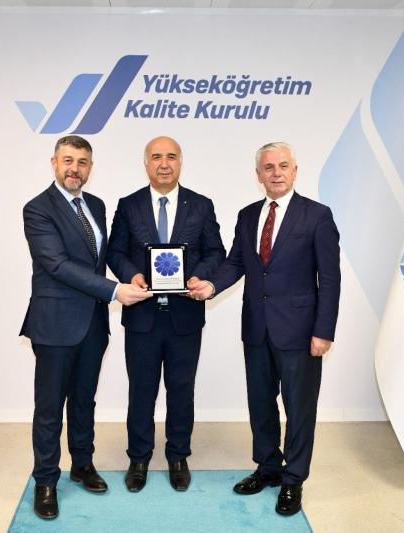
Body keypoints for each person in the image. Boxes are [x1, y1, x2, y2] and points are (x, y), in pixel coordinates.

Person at [188, 141, 340, 516]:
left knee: (299, 408)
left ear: (295, 171)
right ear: (258, 175)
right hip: (256, 328)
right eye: (269, 167)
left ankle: (293, 479)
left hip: (301, 331)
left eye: (283, 166)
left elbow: (330, 279)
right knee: (260, 403)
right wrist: (211, 285)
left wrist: (324, 331)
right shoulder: (247, 215)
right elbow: (235, 263)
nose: (276, 173)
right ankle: (268, 467)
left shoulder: (317, 216)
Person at [20, 135, 152, 520]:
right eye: (68, 160)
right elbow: (57, 265)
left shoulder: (95, 205)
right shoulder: (38, 209)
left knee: (84, 400)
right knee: (50, 407)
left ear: (90, 168)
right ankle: (46, 480)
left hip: (93, 323)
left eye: (82, 162)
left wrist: (132, 275)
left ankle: (82, 464)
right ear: (54, 163)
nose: (74, 169)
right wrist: (115, 290)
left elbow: (101, 258)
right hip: (55, 324)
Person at [107, 136, 226, 492]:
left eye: (171, 156)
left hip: (184, 316)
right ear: (146, 163)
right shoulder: (129, 205)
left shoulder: (201, 205)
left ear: (180, 162)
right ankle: (138, 458)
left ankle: (178, 456)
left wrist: (199, 276)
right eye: (156, 156)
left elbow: (216, 252)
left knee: (181, 389)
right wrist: (131, 275)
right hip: (142, 316)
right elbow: (115, 252)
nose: (164, 163)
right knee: (141, 390)